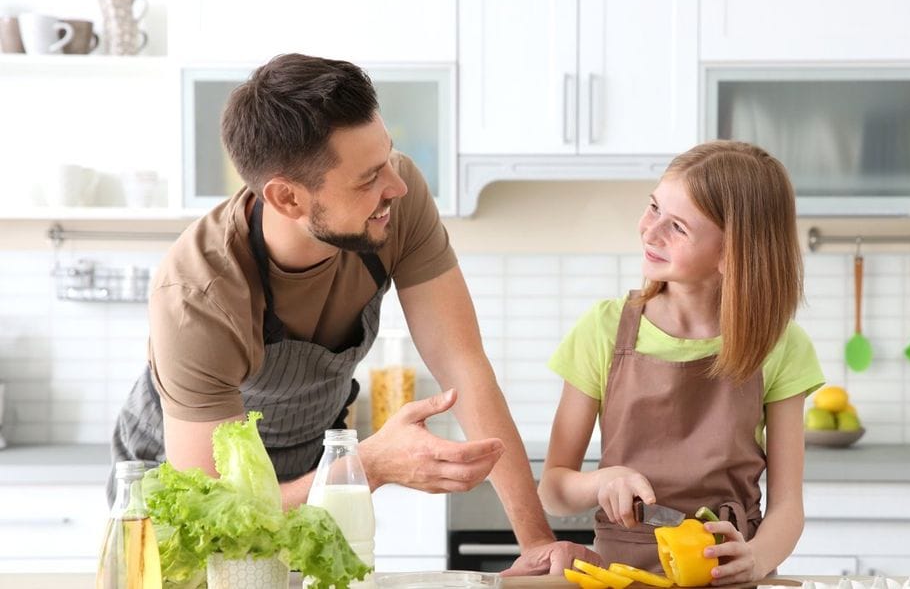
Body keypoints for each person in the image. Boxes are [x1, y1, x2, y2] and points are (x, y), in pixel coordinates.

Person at [109, 53, 595, 574]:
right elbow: (215, 511)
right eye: (368, 179)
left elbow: (463, 362)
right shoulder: (197, 294)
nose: (397, 186)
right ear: (288, 199)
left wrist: (535, 541)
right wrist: (368, 463)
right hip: (184, 487)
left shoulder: (394, 202)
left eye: (388, 157)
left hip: (315, 459)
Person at [538, 140, 825, 583]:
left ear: (732, 254)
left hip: (729, 577)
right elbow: (554, 489)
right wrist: (603, 480)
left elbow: (788, 507)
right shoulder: (603, 330)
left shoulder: (781, 345)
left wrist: (757, 558)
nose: (650, 231)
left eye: (677, 227)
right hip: (622, 574)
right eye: (653, 208)